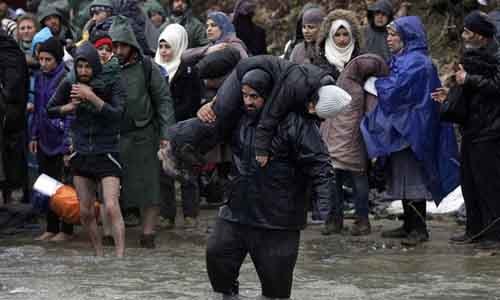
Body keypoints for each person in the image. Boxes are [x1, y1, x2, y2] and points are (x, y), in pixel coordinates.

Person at [206, 69, 334, 300]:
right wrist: (207, 108)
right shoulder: (239, 117)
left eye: (254, 96)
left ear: (268, 95)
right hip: (237, 210)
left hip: (278, 219)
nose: (248, 102)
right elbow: (208, 129)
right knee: (217, 257)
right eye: (244, 95)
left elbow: (320, 165)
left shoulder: (295, 123)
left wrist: (324, 206)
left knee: (276, 289)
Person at [361, 16, 460, 246]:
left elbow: (396, 91)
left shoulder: (416, 62)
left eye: (394, 34)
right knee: (403, 179)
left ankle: (419, 229)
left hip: (413, 130)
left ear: (407, 36)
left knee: (414, 179)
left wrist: (376, 83)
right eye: (388, 34)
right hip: (403, 129)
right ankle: (409, 224)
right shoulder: (405, 59)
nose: (389, 39)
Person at [47, 41, 126, 257]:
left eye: (88, 67)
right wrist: (69, 107)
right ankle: (98, 255)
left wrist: (91, 96)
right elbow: (50, 109)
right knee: (85, 210)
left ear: (95, 66)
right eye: (80, 66)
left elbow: (117, 114)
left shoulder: (111, 82)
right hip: (81, 151)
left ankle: (121, 258)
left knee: (110, 206)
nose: (83, 71)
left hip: (107, 150)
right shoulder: (69, 82)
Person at [432, 11, 500, 249]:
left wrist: (468, 79)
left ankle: (493, 234)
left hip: (491, 130)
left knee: (488, 185)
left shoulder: (497, 56)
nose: (463, 35)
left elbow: (495, 86)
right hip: (471, 128)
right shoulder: (471, 56)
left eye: (468, 32)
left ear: (481, 36)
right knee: (469, 183)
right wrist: (450, 97)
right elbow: (470, 93)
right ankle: (474, 230)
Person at [109, 16, 175, 248]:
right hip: (114, 137)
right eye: (114, 45)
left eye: (122, 45)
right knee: (111, 190)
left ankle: (148, 236)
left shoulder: (147, 67)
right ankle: (111, 237)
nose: (118, 50)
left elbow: (163, 100)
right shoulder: (107, 67)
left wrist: (166, 135)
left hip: (144, 136)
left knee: (149, 188)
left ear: (132, 45)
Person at [321, 54, 389, 236]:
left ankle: (335, 221)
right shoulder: (363, 89)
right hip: (354, 143)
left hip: (334, 143)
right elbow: (371, 113)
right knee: (359, 180)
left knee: (334, 181)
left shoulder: (343, 82)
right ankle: (362, 221)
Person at [155, 24, 202, 229]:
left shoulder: (189, 70)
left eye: (168, 47)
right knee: (163, 172)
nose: (164, 51)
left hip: (185, 129)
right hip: (162, 130)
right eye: (162, 46)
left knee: (187, 172)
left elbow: (192, 101)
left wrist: (174, 120)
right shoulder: (154, 69)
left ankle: (191, 214)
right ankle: (167, 214)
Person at [30, 37, 74, 241]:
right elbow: (38, 109)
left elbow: (71, 114)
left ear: (57, 59)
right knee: (46, 185)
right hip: (43, 139)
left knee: (63, 186)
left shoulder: (66, 78)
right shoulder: (39, 78)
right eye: (41, 59)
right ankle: (51, 227)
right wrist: (33, 134)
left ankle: (66, 230)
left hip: (60, 139)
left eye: (48, 59)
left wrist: (67, 144)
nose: (44, 63)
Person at [0, 27, 29, 205]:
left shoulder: (7, 48)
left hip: (8, 115)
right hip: (8, 112)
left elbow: (12, 86)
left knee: (10, 162)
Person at [313, 9, 363, 78]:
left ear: (351, 35)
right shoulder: (319, 59)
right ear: (330, 36)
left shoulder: (361, 58)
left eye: (345, 34)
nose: (342, 39)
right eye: (337, 35)